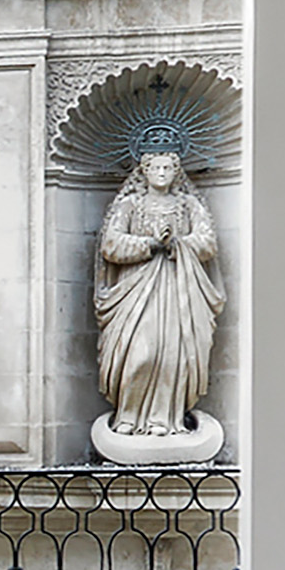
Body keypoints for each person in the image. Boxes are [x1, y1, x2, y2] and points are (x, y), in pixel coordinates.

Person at [92, 146, 221, 437]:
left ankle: (164, 419)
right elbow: (110, 244)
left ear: (176, 172)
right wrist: (149, 244)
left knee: (173, 356)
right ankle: (128, 415)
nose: (162, 173)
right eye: (156, 168)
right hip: (136, 290)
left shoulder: (188, 205)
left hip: (178, 289)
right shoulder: (130, 205)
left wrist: (177, 243)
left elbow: (207, 242)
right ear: (145, 171)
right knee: (141, 355)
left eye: (168, 168)